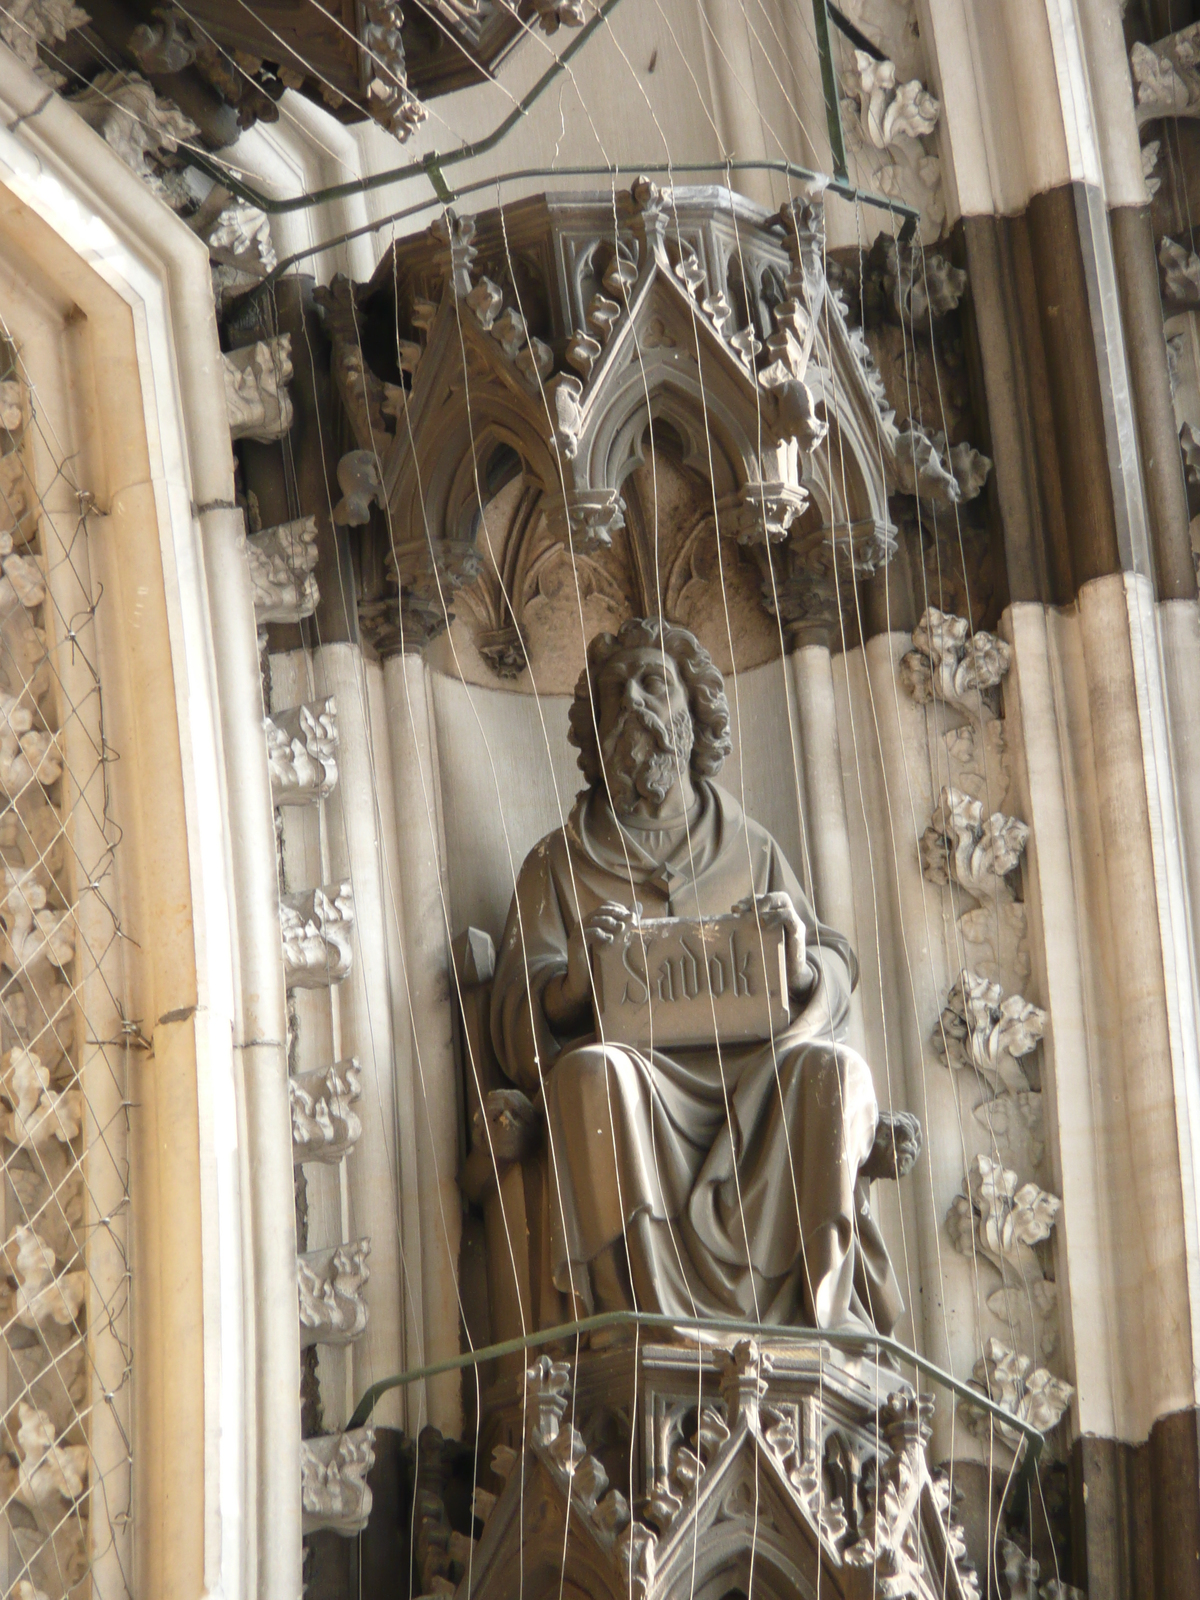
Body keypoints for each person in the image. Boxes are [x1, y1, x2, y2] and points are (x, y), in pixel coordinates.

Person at [489, 617, 918, 1334]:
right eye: (613, 696)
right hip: (639, 1084)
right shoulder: (557, 862)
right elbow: (510, 1017)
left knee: (834, 1075)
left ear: (695, 713)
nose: (633, 702)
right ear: (593, 738)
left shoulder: (748, 846)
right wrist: (573, 986)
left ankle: (824, 1310)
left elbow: (836, 966)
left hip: (756, 1081)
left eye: (653, 683)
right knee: (590, 1077)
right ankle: (646, 1319)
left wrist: (798, 957)